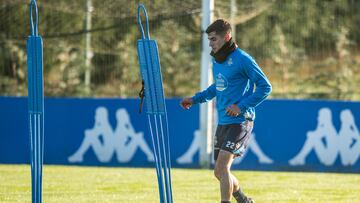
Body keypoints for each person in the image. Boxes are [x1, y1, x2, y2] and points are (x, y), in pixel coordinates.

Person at [180, 19, 272, 203]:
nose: (210, 44)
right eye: (209, 40)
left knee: (222, 167)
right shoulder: (218, 60)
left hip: (241, 121)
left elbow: (265, 87)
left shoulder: (244, 59)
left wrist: (241, 106)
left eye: (214, 39)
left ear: (227, 36)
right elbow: (218, 87)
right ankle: (244, 199)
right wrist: (195, 99)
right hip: (223, 122)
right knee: (219, 172)